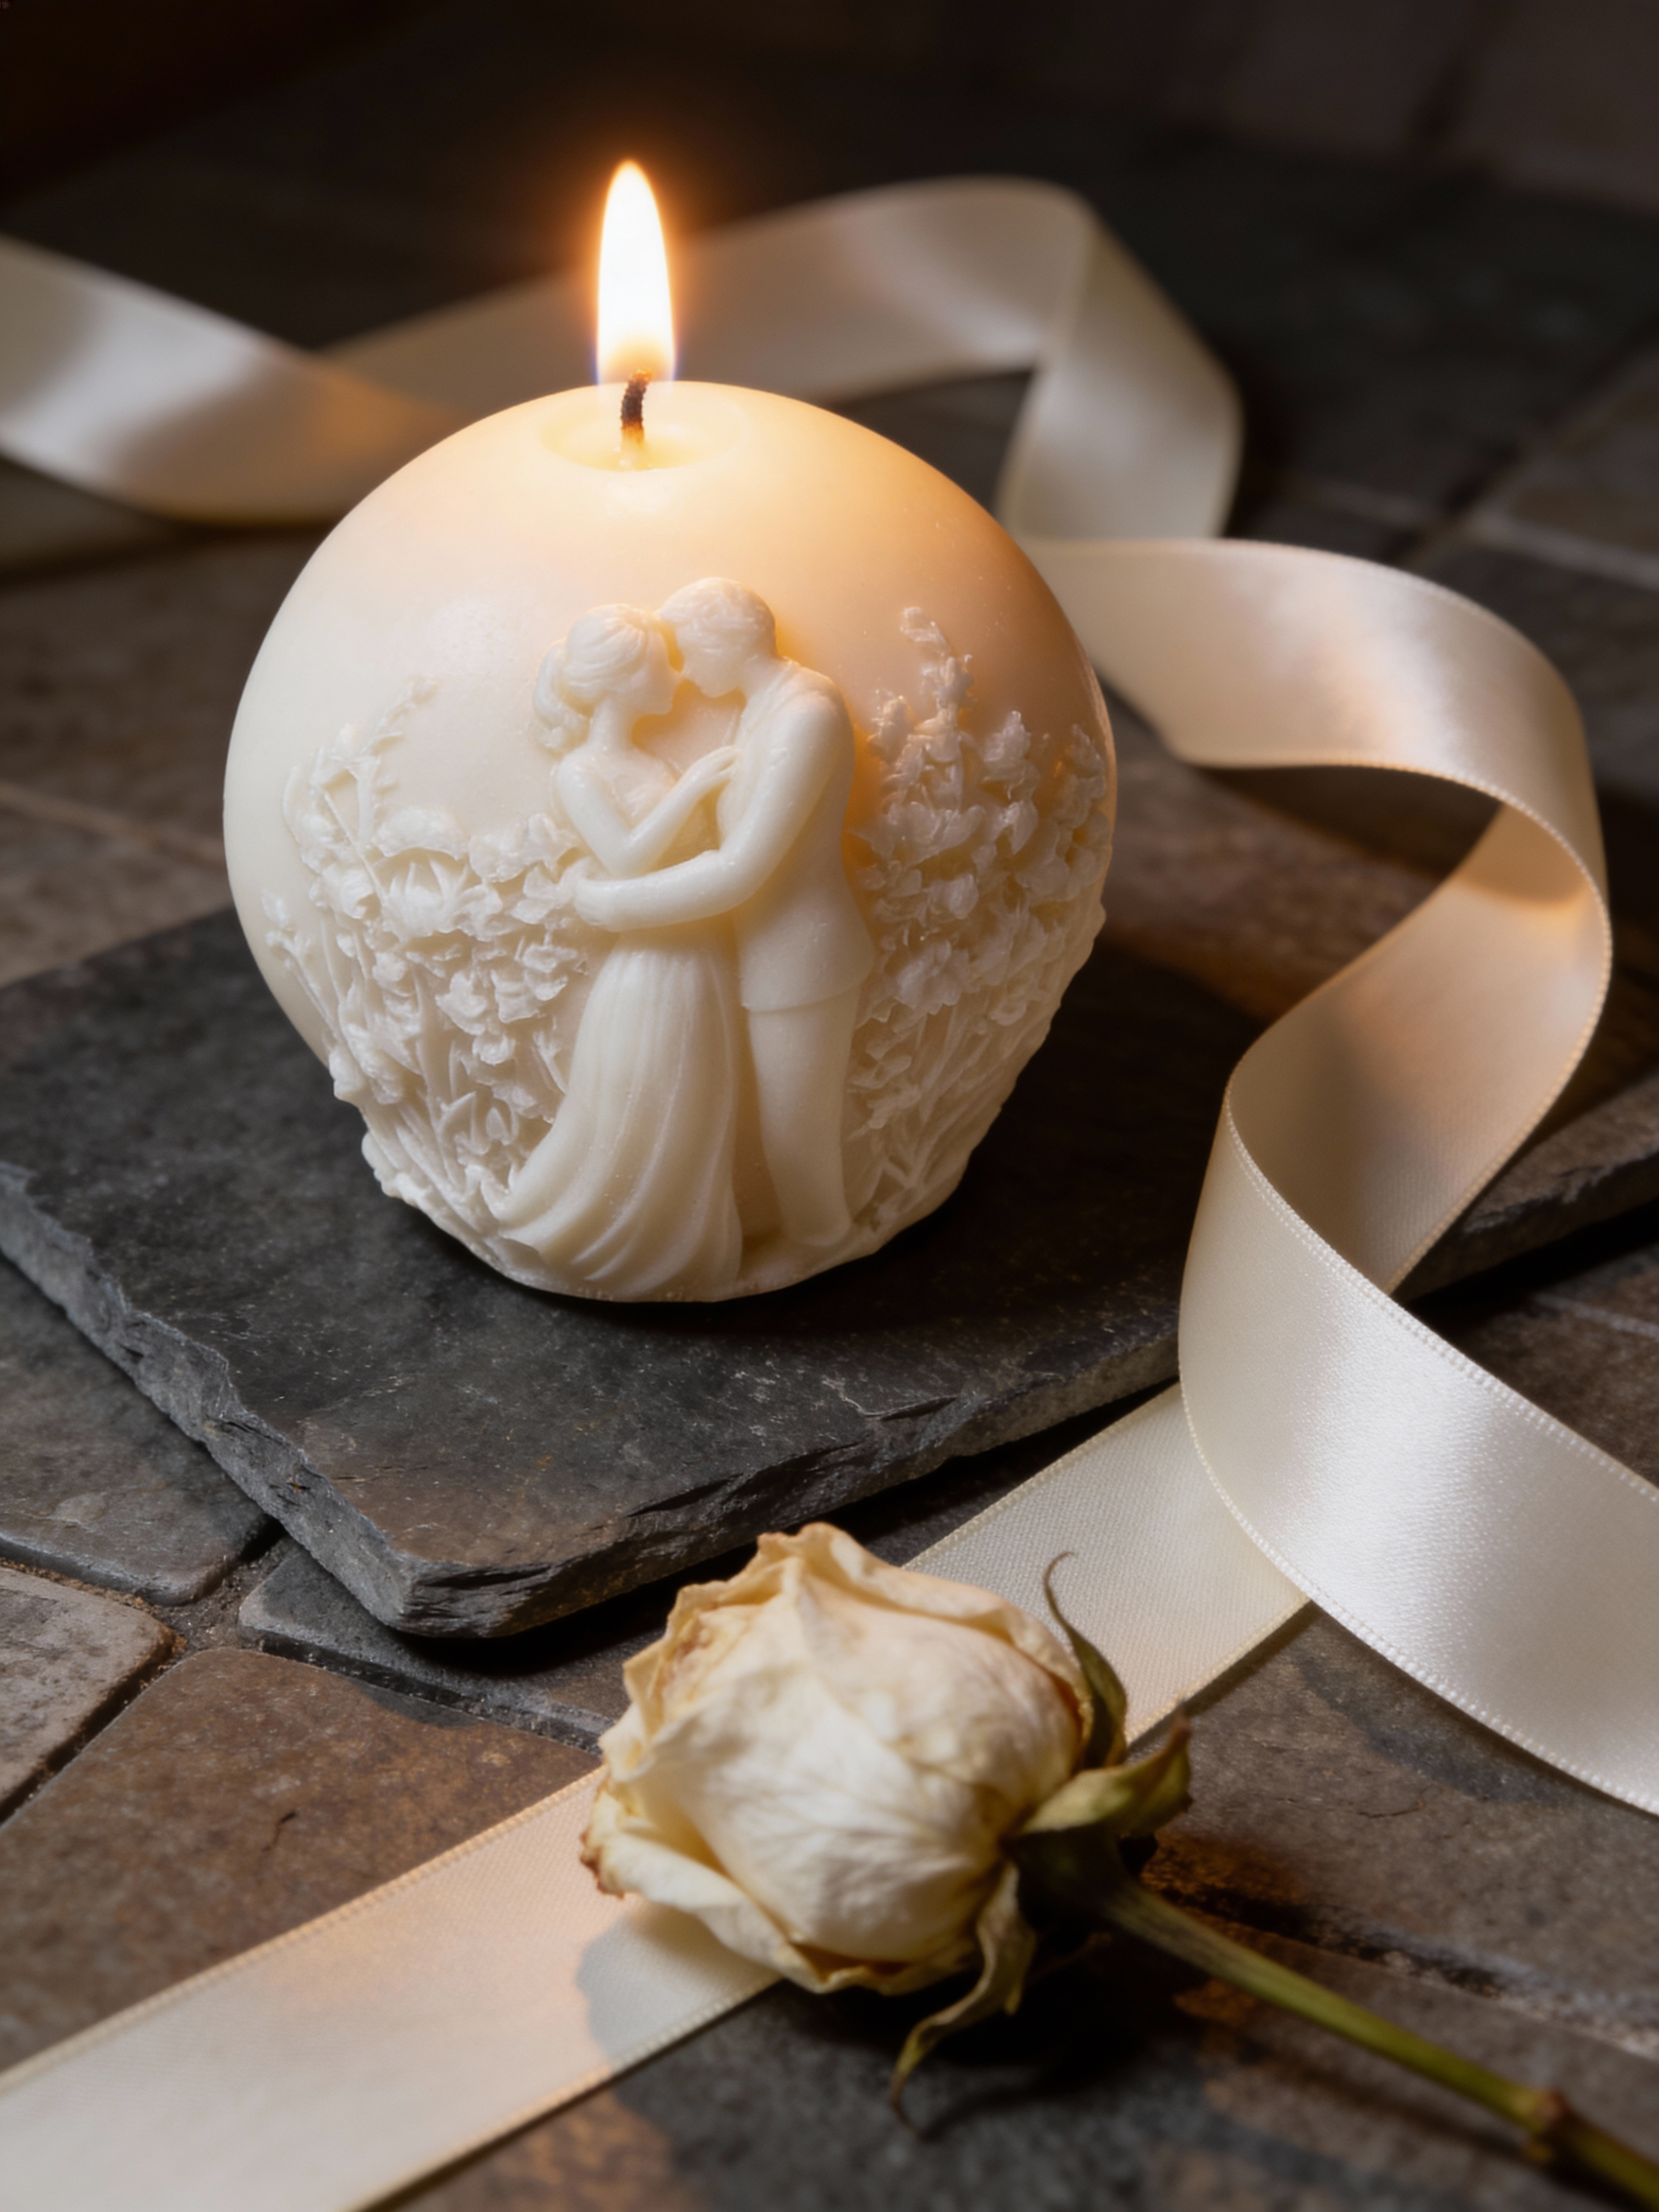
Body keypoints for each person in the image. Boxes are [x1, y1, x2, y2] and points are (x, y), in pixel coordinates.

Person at [573, 579, 874, 1253]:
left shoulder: (805, 715)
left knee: (796, 1128)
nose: (685, 672)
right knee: (782, 1119)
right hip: (757, 950)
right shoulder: (761, 708)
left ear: (723, 642)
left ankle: (821, 1238)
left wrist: (613, 903)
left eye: (688, 651)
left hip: (801, 954)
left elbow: (742, 867)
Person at [489, 604, 743, 1298]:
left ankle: (685, 1241)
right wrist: (694, 786)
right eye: (663, 662)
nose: (676, 676)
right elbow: (627, 856)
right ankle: (605, 1239)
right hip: (650, 962)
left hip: (699, 952)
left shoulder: (648, 758)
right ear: (624, 678)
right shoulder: (580, 770)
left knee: (697, 1101)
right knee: (644, 1096)